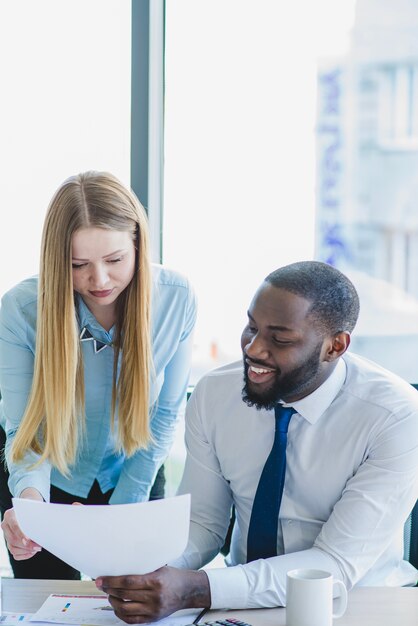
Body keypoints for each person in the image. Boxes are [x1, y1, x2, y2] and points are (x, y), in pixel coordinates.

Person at [95, 261, 418, 624]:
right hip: (238, 607)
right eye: (251, 327)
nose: (254, 349)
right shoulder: (215, 394)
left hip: (359, 604)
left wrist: (196, 588)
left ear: (335, 346)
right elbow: (202, 523)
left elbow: (335, 566)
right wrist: (145, 570)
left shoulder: (396, 416)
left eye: (280, 339)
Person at [0, 170, 197, 579]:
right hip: (47, 473)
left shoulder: (176, 298)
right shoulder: (20, 310)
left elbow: (164, 417)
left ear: (138, 244)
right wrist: (32, 509)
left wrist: (121, 513)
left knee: (137, 605)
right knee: (48, 606)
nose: (100, 280)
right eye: (78, 265)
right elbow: (25, 429)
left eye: (115, 260)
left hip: (134, 469)